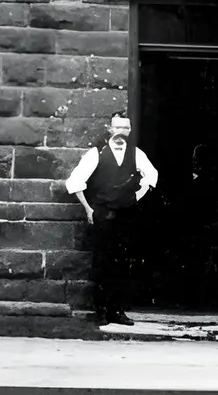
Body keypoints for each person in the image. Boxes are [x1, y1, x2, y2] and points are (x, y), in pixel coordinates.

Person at [64, 112, 157, 326]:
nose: (121, 132)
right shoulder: (96, 153)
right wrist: (88, 209)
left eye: (125, 128)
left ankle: (118, 311)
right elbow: (74, 182)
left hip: (126, 216)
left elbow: (152, 176)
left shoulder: (137, 154)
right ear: (110, 129)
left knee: (123, 263)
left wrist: (137, 196)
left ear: (130, 130)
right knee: (101, 263)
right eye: (117, 127)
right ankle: (101, 312)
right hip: (102, 215)